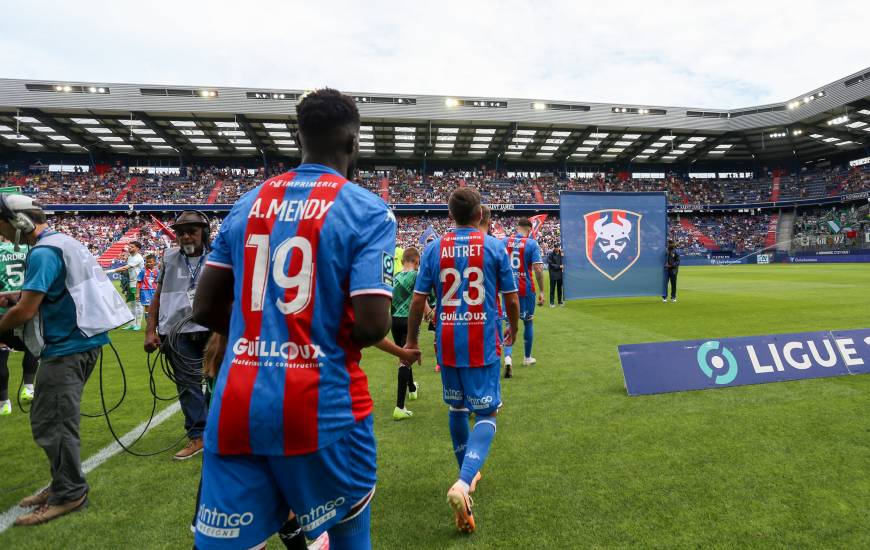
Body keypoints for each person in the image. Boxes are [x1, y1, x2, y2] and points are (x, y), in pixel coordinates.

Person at [190, 88, 395, 550]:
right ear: (352, 143)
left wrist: (257, 333)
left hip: (237, 401)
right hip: (322, 406)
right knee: (348, 531)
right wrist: (312, 334)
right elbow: (374, 323)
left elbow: (203, 308)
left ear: (298, 137)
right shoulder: (367, 209)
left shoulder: (246, 203)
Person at [0, 194, 131, 526]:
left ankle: (70, 493)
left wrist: (7, 317)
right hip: (82, 343)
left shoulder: (43, 252)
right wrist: (19, 295)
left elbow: (26, 312)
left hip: (67, 348)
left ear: (19, 222)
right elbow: (57, 290)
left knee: (53, 423)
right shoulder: (62, 242)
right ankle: (62, 482)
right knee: (52, 420)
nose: (0, 231)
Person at [405, 187, 520, 534]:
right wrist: (513, 328)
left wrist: (411, 340)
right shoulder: (494, 246)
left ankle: (467, 478)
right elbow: (511, 300)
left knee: (456, 410)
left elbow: (417, 301)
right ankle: (463, 480)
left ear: (450, 214)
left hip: (448, 342)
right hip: (482, 341)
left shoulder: (433, 248)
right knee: (487, 412)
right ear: (480, 212)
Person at [143, 211, 212, 461]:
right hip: (176, 332)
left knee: (218, 384)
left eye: (192, 231)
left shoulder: (218, 256)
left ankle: (214, 430)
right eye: (181, 232)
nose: (185, 236)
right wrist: (151, 330)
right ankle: (198, 436)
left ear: (204, 232)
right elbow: (158, 295)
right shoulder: (169, 257)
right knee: (187, 386)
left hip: (212, 331)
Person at [0, 234, 38, 415]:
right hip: (25, 305)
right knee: (33, 346)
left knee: (0, 353)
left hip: (2, 309)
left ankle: (4, 403)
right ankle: (29, 387)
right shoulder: (28, 250)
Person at [390, 246, 428, 420]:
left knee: (403, 354)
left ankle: (412, 388)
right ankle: (399, 407)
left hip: (394, 320)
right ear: (417, 261)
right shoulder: (416, 276)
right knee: (406, 359)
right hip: (409, 320)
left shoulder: (394, 277)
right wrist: (429, 312)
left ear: (402, 260)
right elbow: (420, 297)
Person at [502, 219, 545, 367]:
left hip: (508, 289)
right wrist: (542, 291)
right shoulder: (531, 243)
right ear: (529, 230)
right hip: (525, 289)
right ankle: (527, 358)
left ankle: (508, 358)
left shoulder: (504, 241)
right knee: (528, 322)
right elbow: (538, 269)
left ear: (517, 228)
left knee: (509, 322)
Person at [107, 241, 145, 330]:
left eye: (132, 247)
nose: (129, 248)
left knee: (138, 304)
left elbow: (125, 268)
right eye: (129, 247)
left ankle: (138, 325)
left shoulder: (138, 258)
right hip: (131, 282)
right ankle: (132, 324)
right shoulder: (130, 257)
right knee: (132, 304)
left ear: (137, 248)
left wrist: (109, 271)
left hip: (137, 283)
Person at [137, 253, 159, 327]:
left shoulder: (157, 271)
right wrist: (137, 293)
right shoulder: (143, 271)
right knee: (147, 308)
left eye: (150, 262)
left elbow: (157, 282)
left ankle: (155, 324)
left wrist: (158, 292)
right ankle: (150, 326)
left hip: (154, 291)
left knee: (155, 308)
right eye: (147, 262)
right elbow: (138, 282)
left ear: (154, 262)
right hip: (145, 291)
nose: (148, 263)